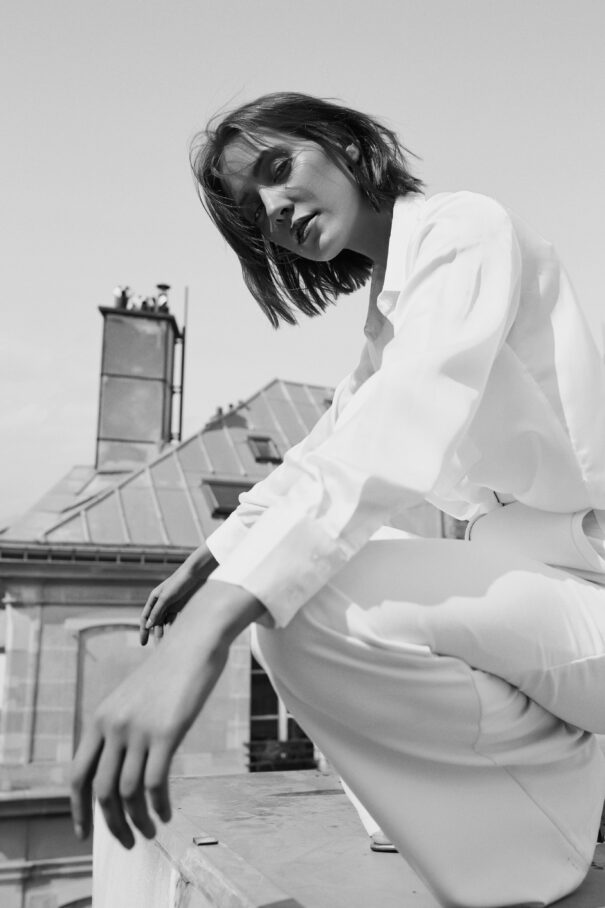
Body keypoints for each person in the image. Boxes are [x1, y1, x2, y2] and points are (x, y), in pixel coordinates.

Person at [70, 92, 605, 908]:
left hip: (588, 591)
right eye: (254, 210)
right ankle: (490, 795)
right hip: (550, 596)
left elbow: (396, 425)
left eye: (279, 170)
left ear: (345, 146)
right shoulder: (389, 309)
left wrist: (208, 627)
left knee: (307, 605)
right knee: (303, 586)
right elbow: (327, 445)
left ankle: (537, 838)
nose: (275, 209)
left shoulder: (463, 229)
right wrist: (219, 552)